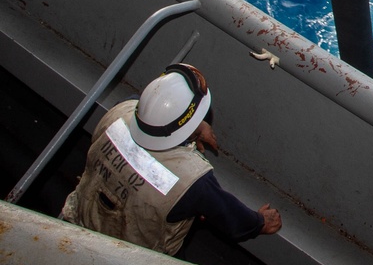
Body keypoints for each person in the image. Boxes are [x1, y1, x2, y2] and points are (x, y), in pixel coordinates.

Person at [60, 63, 282, 255]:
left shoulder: (119, 112)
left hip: (74, 223)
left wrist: (193, 127)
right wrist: (259, 222)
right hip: (129, 257)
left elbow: (144, 108)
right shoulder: (192, 180)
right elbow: (230, 216)